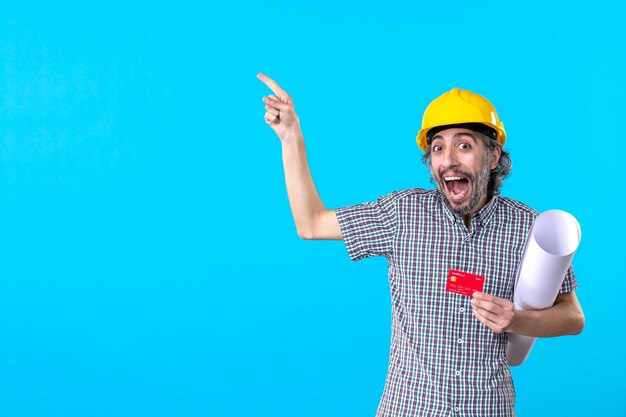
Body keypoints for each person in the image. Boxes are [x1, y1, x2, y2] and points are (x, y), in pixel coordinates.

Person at [257, 73, 584, 417]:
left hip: (490, 408)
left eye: (464, 145)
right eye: (438, 148)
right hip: (411, 407)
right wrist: (291, 136)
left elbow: (573, 318)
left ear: (492, 157)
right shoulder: (403, 214)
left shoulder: (529, 227)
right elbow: (311, 223)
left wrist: (515, 320)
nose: (448, 159)